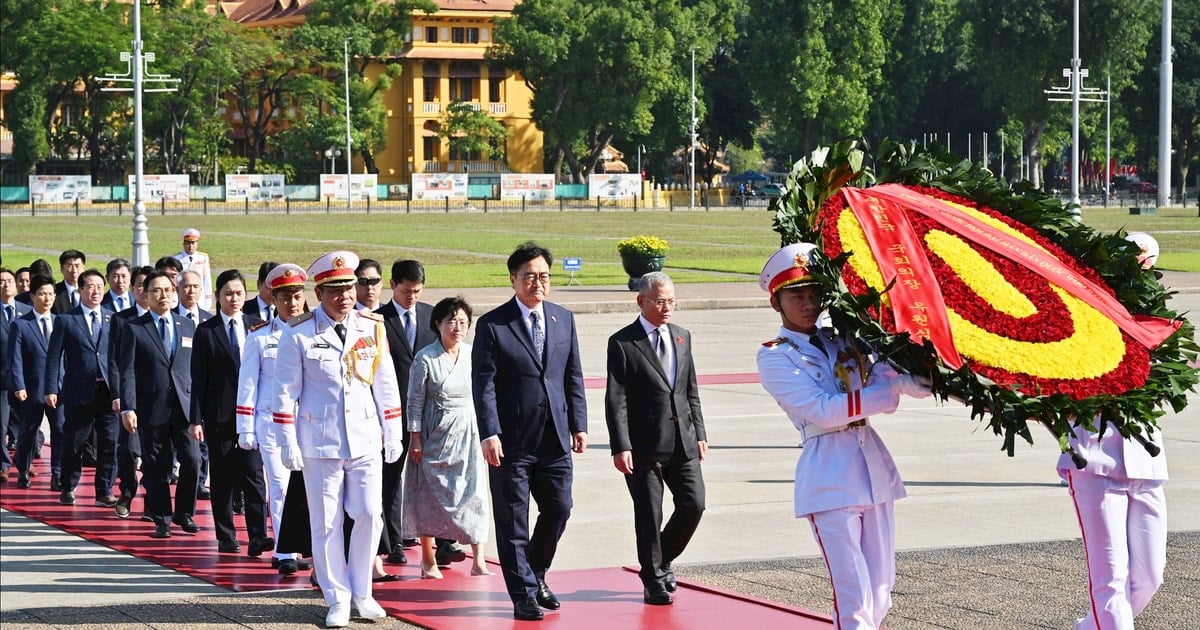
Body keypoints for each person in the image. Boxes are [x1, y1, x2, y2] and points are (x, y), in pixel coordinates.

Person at [756, 243, 930, 630]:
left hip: (872, 470)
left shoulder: (845, 337)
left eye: (814, 293)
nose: (808, 303)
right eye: (796, 295)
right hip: (829, 476)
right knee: (853, 597)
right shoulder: (774, 355)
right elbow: (824, 410)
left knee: (881, 592)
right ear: (776, 303)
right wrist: (893, 390)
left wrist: (915, 375)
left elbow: (894, 378)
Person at [271, 250, 403, 628]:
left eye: (349, 288)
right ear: (319, 292)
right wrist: (287, 441)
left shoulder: (372, 327)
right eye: (334, 290)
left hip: (364, 438)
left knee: (367, 513)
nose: (344, 296)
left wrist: (391, 430)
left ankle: (363, 592)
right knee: (326, 523)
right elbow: (284, 392)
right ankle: (338, 597)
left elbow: (385, 383)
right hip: (320, 441)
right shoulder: (298, 333)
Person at [472, 242, 588, 622]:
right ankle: (522, 594)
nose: (537, 283)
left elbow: (572, 375)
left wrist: (579, 424)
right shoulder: (493, 324)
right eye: (529, 277)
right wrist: (489, 432)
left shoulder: (562, 318)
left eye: (543, 276)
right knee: (513, 520)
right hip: (511, 441)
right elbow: (484, 384)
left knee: (559, 508)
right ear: (513, 280)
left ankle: (534, 574)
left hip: (554, 437)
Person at [1058, 232, 1169, 630]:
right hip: (1095, 459)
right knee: (1111, 580)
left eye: (1147, 264)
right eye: (1134, 261)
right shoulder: (1082, 310)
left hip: (1146, 460)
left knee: (1150, 577)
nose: (1142, 270)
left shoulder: (1155, 320)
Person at [605, 272, 707, 606]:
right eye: (660, 301)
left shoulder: (682, 336)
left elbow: (690, 389)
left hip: (683, 440)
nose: (667, 308)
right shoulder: (622, 342)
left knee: (694, 504)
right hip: (643, 446)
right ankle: (653, 581)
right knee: (649, 514)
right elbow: (615, 398)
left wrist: (701, 434)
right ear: (641, 301)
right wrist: (620, 445)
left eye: (672, 301)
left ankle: (659, 561)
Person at [404, 296, 491, 578]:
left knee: (474, 493)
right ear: (438, 324)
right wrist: (415, 437)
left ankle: (479, 560)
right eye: (451, 320)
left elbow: (485, 394)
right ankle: (428, 558)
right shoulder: (425, 358)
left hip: (468, 430)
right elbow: (414, 401)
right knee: (429, 494)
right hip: (434, 433)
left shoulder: (473, 354)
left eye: (463, 321)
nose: (457, 327)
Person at [237, 263, 313, 575]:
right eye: (284, 297)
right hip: (271, 423)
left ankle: (307, 546)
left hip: (308, 421)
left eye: (296, 296)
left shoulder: (314, 333)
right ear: (273, 299)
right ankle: (284, 551)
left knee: (310, 488)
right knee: (281, 487)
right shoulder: (259, 337)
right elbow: (248, 382)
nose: (292, 303)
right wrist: (245, 427)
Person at [189, 269, 271, 556]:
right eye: (228, 293)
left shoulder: (258, 326)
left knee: (254, 476)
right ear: (218, 296)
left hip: (251, 416)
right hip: (219, 417)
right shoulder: (207, 330)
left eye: (238, 293)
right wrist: (195, 418)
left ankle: (258, 536)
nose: (234, 298)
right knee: (223, 478)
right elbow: (198, 377)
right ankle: (226, 535)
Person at [116, 270, 201, 538]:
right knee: (155, 466)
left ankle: (184, 513)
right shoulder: (135, 328)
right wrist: (128, 407)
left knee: (192, 460)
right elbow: (126, 370)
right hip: (151, 407)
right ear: (145, 294)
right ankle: (162, 518)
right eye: (156, 291)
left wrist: (199, 410)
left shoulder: (186, 325)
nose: (163, 295)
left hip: (184, 407)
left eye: (167, 290)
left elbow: (195, 371)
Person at [375, 259, 450, 566]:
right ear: (393, 285)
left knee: (436, 480)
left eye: (417, 291)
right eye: (407, 291)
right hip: (390, 415)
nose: (412, 297)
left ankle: (444, 542)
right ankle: (393, 543)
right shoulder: (376, 320)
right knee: (389, 480)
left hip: (427, 415)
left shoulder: (432, 316)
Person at [43, 269, 120, 507]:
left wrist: (121, 392)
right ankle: (68, 485)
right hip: (79, 391)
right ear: (80, 290)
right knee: (75, 442)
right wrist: (50, 388)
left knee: (110, 442)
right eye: (90, 286)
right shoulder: (67, 320)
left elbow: (117, 358)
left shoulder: (112, 318)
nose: (95, 291)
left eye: (99, 286)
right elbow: (54, 357)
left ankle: (104, 489)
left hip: (107, 391)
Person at [10, 275, 66, 491]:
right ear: (32, 296)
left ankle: (58, 474)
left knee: (60, 430)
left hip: (58, 388)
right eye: (42, 294)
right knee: (28, 432)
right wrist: (19, 385)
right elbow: (15, 357)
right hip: (32, 388)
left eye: (51, 294)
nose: (47, 298)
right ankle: (23, 469)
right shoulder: (21, 324)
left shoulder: (61, 321)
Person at [108, 265, 153, 518]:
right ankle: (127, 490)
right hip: (130, 395)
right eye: (140, 286)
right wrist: (119, 395)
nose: (145, 292)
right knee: (127, 448)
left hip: (157, 396)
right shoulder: (122, 319)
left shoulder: (168, 319)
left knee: (155, 452)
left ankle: (151, 500)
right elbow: (115, 360)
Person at [1, 268, 33, 482]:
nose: (6, 285)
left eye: (9, 280)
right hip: (2, 378)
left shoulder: (26, 310)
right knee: (1, 424)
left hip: (26, 377)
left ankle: (24, 463)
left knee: (28, 423)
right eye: (1, 281)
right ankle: (3, 464)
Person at [174, 228, 214, 311]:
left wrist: (208, 299)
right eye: (188, 243)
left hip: (199, 298)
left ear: (197, 244)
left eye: (193, 243)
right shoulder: (176, 259)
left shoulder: (203, 258)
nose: (190, 246)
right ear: (184, 244)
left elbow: (207, 280)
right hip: (182, 297)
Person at [51, 250, 86, 314]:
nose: (74, 271)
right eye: (69, 266)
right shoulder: (54, 291)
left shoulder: (88, 290)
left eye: (77, 266)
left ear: (83, 268)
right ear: (62, 269)